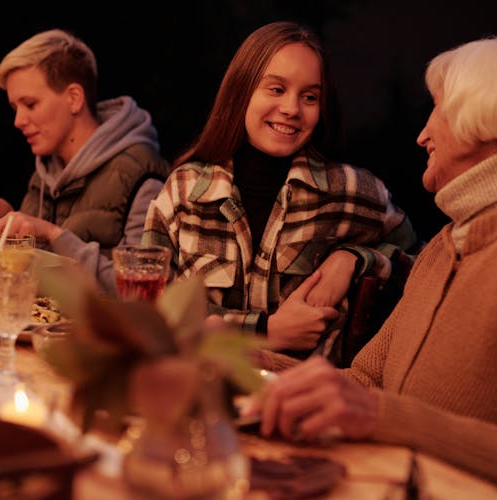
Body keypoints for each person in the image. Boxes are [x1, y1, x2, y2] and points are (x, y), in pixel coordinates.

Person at [251, 32, 497, 499]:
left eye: (438, 110)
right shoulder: (447, 243)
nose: (422, 134)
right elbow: (365, 381)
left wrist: (382, 416)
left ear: (485, 120)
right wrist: (244, 360)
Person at [142, 21, 419, 366]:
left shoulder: (351, 192)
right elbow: (147, 307)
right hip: (193, 391)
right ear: (242, 91)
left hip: (298, 405)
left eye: (309, 97)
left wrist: (354, 259)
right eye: (276, 89)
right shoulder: (183, 191)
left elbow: (422, 265)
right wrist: (265, 331)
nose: (292, 108)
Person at [0, 29, 171, 294]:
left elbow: (137, 295)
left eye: (30, 104)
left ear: (74, 98)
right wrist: (7, 221)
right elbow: (33, 276)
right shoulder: (45, 172)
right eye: (15, 108)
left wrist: (54, 235)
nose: (18, 121)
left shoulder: (143, 177)